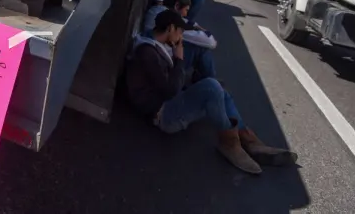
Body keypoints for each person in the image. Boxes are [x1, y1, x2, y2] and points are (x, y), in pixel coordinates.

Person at [126, 10, 297, 174]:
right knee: (212, 87)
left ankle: (248, 139)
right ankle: (229, 143)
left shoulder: (153, 44)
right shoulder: (148, 53)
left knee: (219, 90)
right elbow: (170, 90)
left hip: (166, 101)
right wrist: (179, 59)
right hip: (163, 114)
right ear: (170, 28)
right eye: (179, 32)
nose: (180, 37)